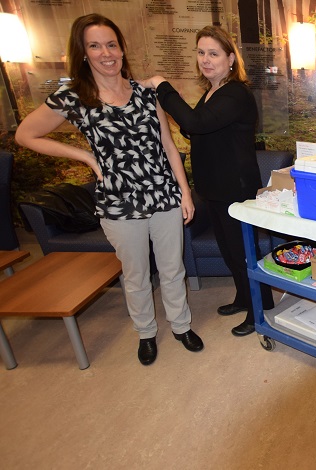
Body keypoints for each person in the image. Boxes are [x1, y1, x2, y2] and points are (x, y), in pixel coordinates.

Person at [15, 13, 203, 366]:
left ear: (121, 49)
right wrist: (84, 155)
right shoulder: (74, 97)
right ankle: (146, 333)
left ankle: (181, 326)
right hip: (118, 203)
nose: (106, 53)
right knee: (135, 274)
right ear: (84, 53)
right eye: (95, 45)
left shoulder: (146, 92)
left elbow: (167, 144)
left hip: (163, 194)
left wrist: (185, 191)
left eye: (111, 44)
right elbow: (25, 135)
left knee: (172, 268)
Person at [140, 25, 274, 337]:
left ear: (230, 58)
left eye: (213, 53)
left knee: (242, 251)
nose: (205, 59)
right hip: (215, 185)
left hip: (234, 186)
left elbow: (195, 123)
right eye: (201, 52)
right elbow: (194, 130)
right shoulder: (212, 92)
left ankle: (258, 311)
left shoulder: (236, 93)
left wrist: (162, 86)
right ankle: (246, 297)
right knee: (229, 250)